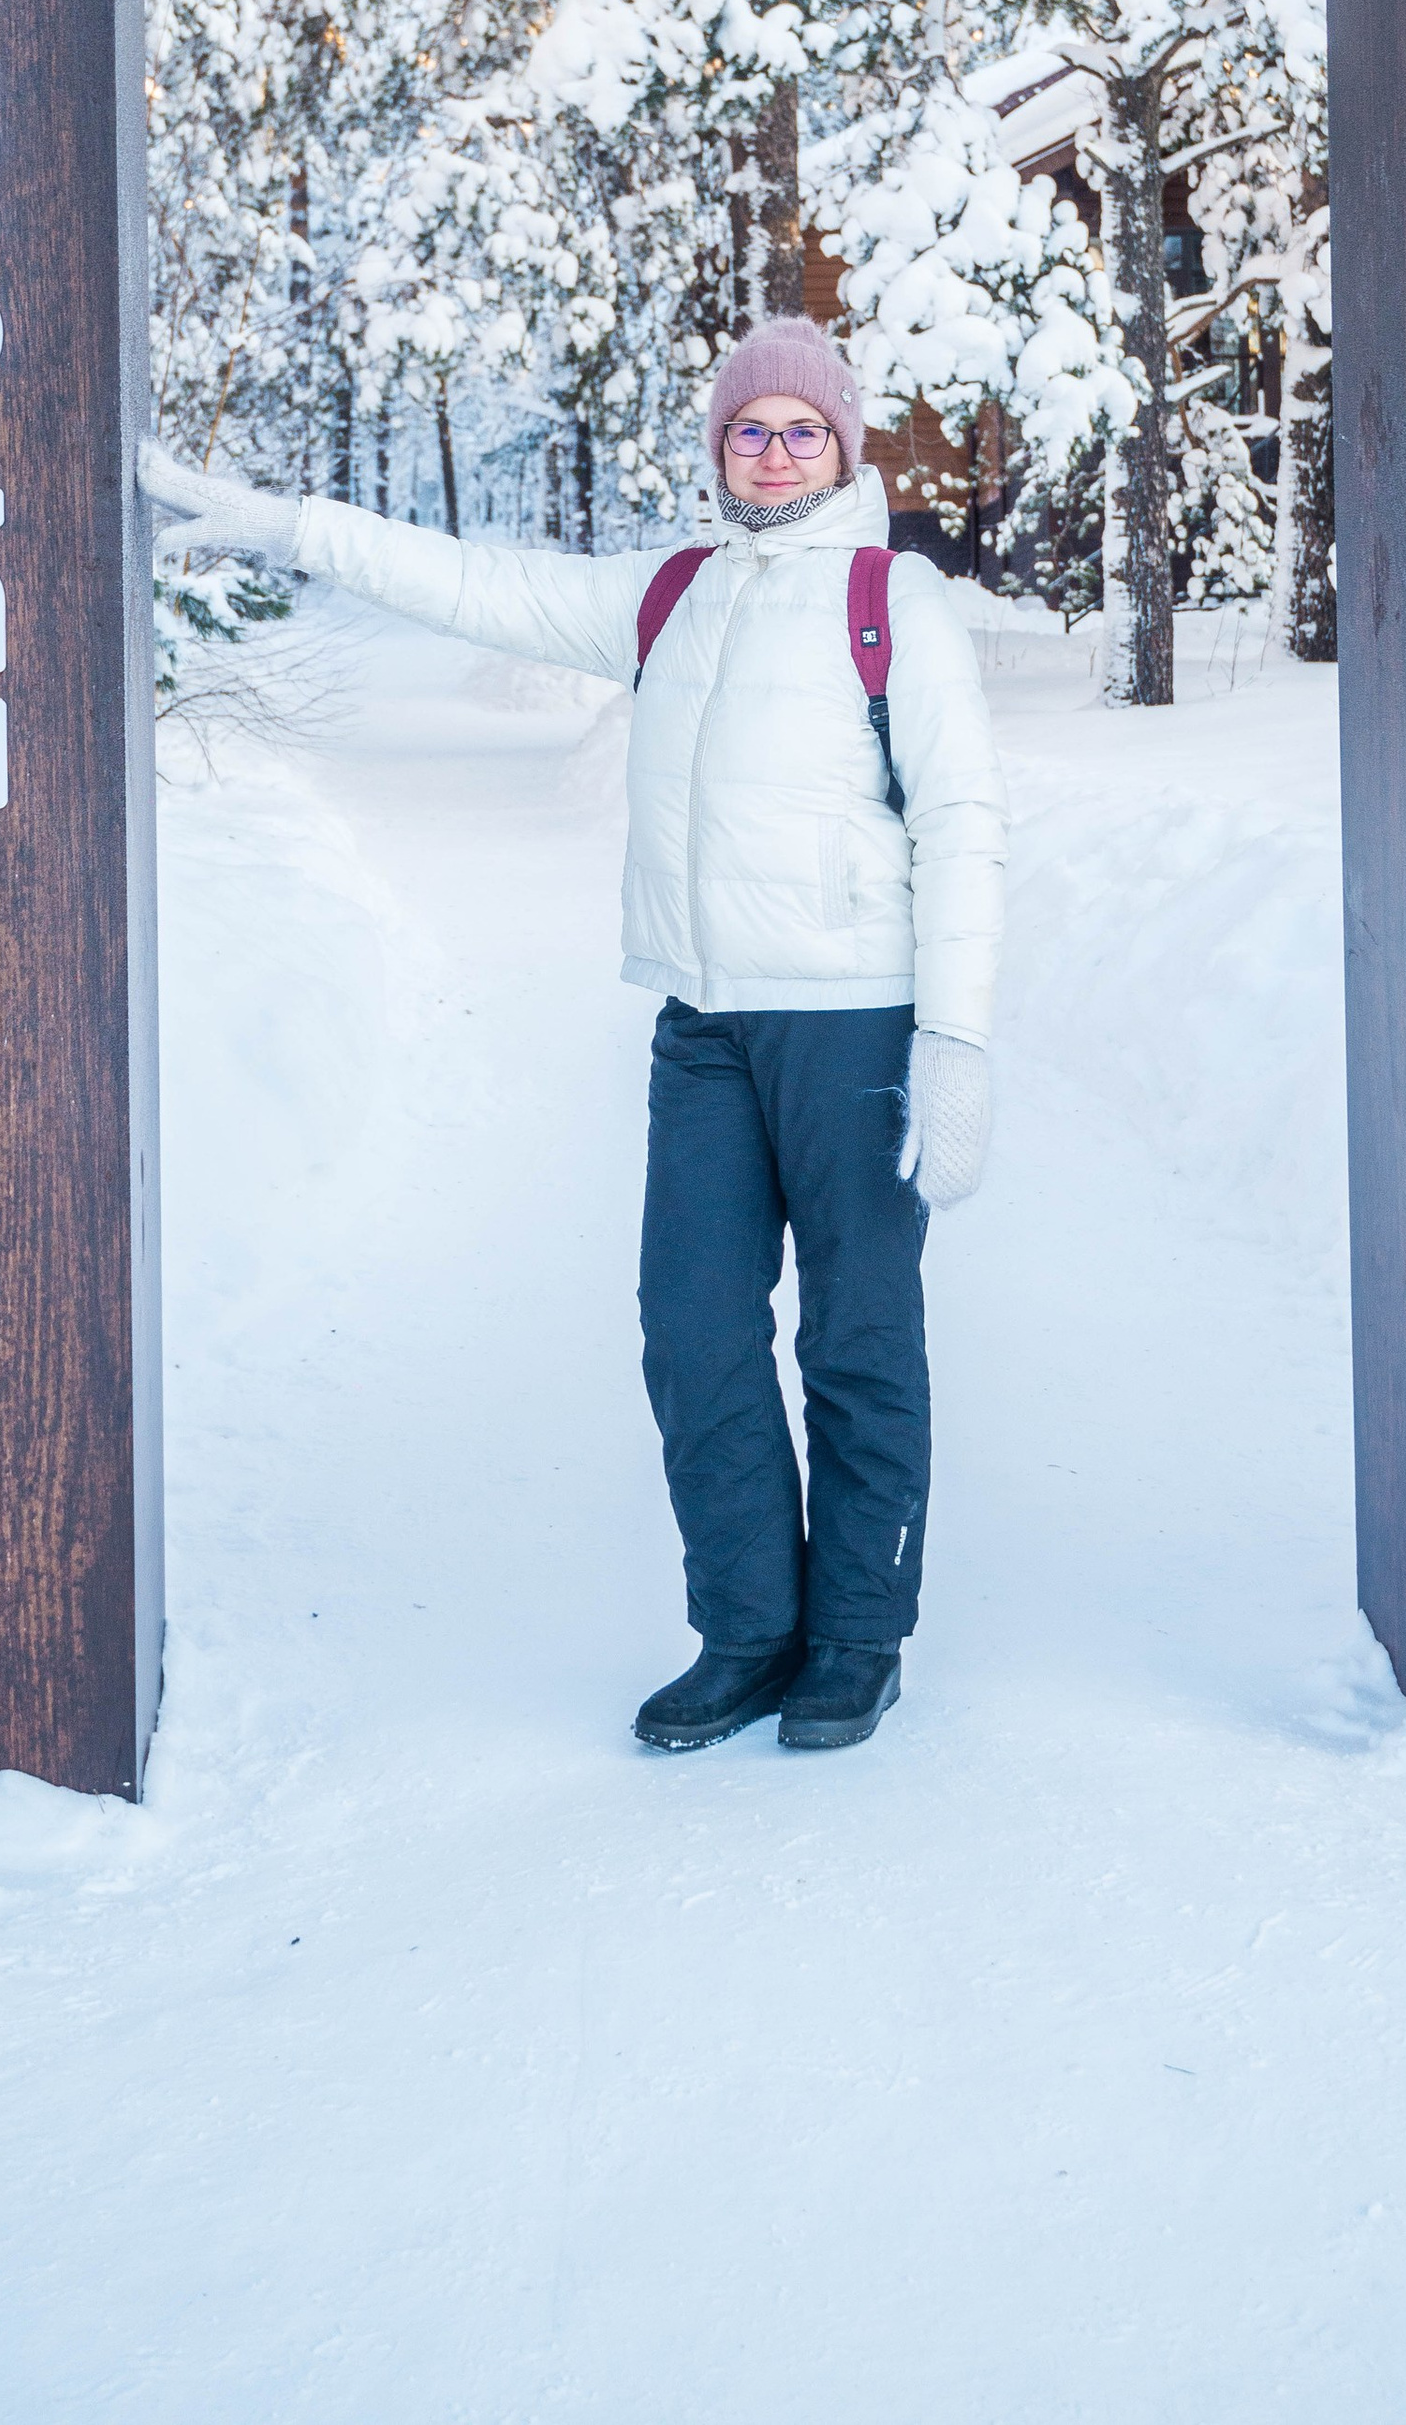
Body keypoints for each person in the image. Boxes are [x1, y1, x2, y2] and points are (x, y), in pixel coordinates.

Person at [140, 316, 1005, 1756]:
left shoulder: (889, 599)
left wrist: (956, 1042)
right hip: (704, 1026)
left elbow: (967, 822)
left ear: (843, 447)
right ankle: (747, 1630)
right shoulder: (672, 594)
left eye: (802, 428)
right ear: (720, 445)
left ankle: (857, 1634)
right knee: (696, 1333)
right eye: (749, 427)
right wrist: (293, 525)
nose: (774, 449)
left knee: (858, 1334)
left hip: (851, 1017)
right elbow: (478, 584)